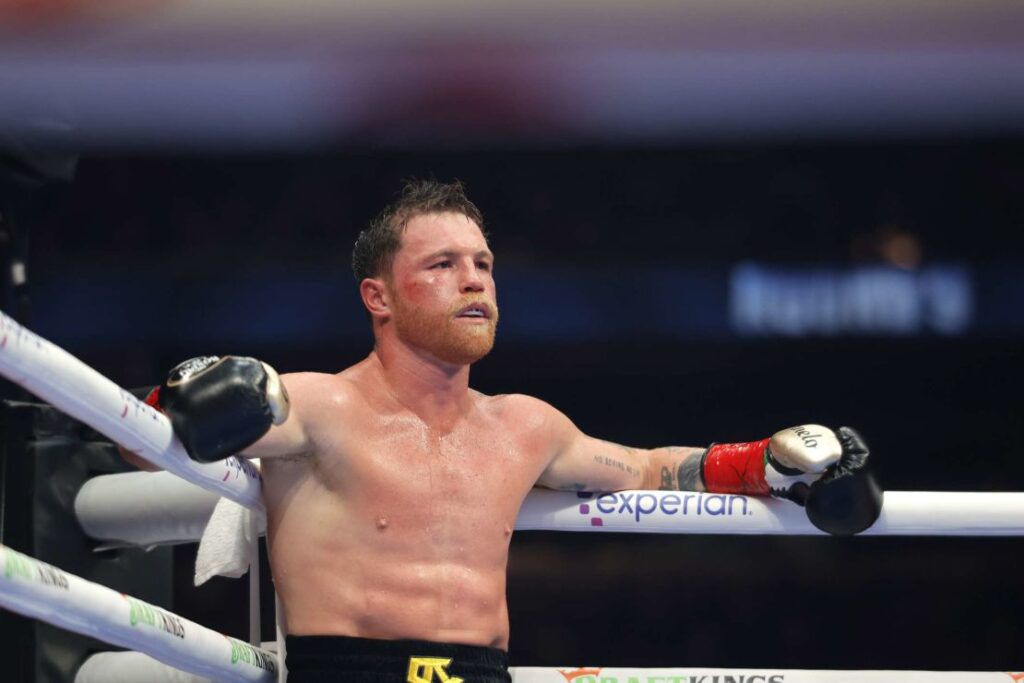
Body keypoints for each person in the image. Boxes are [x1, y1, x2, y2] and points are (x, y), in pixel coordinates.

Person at [123, 180, 880, 683]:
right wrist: (180, 397)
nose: (475, 279)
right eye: (443, 264)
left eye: (483, 263)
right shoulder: (317, 405)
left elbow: (649, 469)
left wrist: (767, 462)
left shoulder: (524, 424)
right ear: (378, 297)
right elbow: (142, 441)